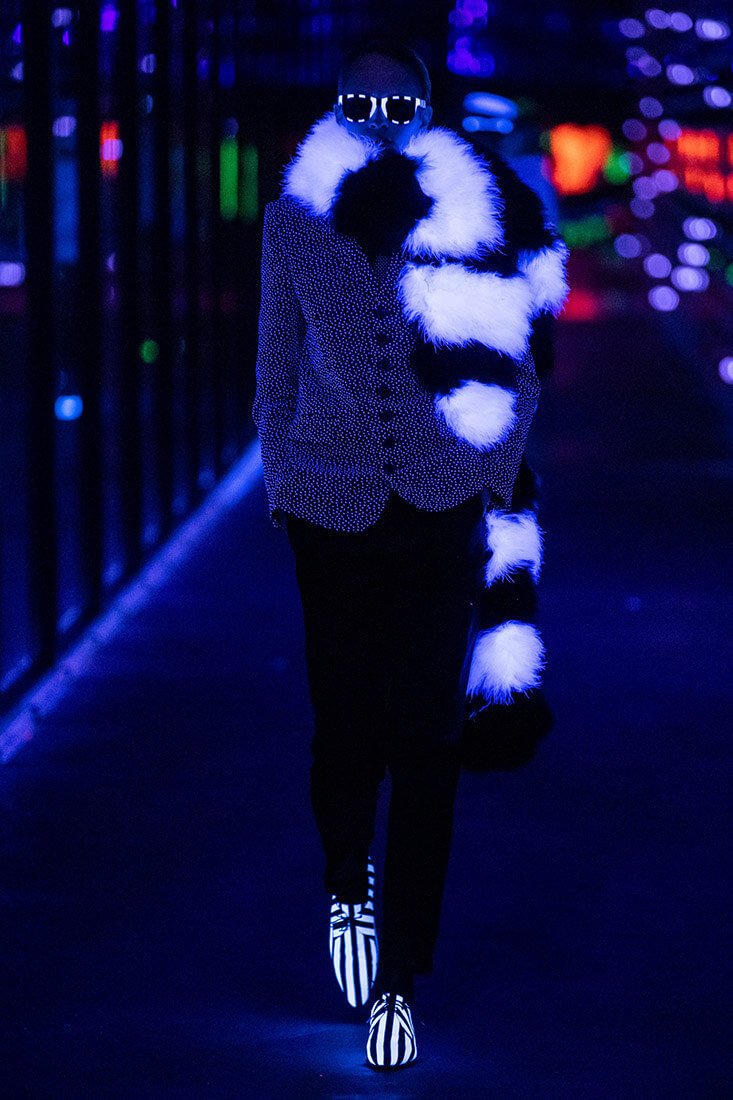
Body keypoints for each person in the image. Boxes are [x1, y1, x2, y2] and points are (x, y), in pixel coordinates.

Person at [252, 37, 569, 1071]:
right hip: (329, 506)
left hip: (439, 504)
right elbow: (274, 362)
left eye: (398, 105)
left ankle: (400, 976)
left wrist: (490, 473)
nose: (379, 120)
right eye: (360, 103)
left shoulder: (476, 208)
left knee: (428, 739)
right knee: (345, 725)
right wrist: (283, 484)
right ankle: (347, 876)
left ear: (426, 109)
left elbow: (522, 356)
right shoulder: (293, 220)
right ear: (337, 108)